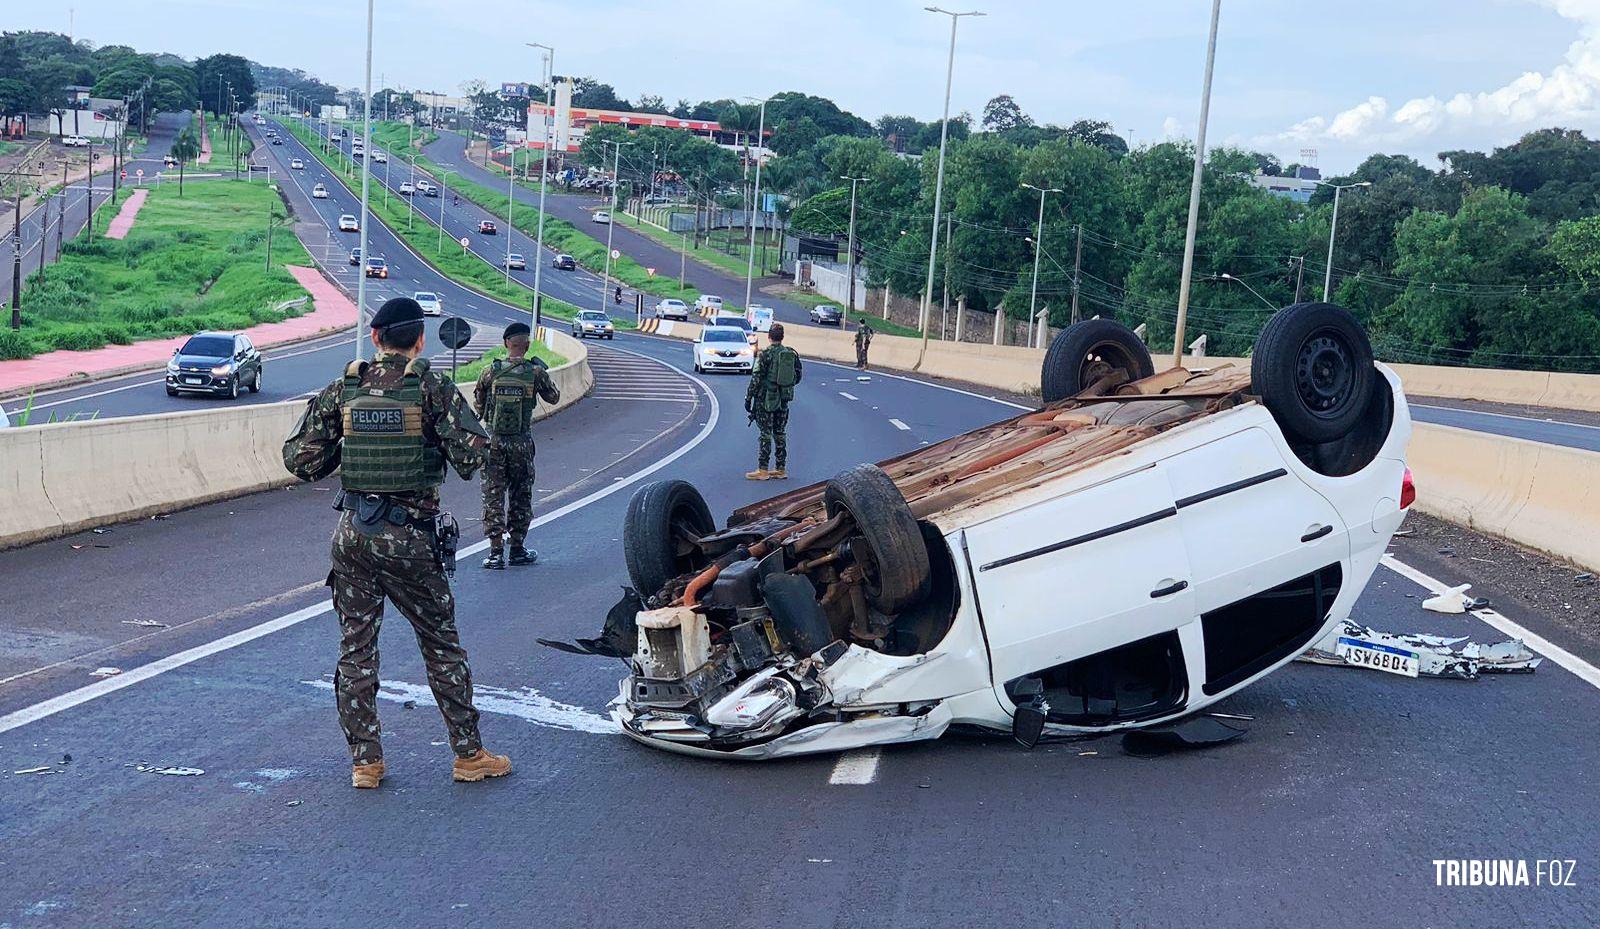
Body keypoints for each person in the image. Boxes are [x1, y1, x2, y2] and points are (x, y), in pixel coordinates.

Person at [282, 296, 513, 789]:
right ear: (420, 340)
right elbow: (474, 458)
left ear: (376, 337)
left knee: (356, 649)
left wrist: (350, 450)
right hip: (408, 539)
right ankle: (469, 756)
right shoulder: (430, 386)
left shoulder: (344, 387)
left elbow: (300, 460)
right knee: (440, 645)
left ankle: (366, 762)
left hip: (352, 536)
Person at [474, 322, 560, 569]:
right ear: (527, 345)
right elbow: (553, 397)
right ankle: (518, 548)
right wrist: (541, 371)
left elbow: (479, 404)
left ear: (505, 344)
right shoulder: (534, 373)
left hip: (494, 442)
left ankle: (495, 552)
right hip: (521, 442)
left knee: (493, 494)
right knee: (521, 493)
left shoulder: (490, 371)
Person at [745, 322, 802, 481]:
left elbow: (756, 379)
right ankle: (780, 468)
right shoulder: (790, 354)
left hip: (766, 400)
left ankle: (763, 470)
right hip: (784, 399)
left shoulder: (765, 354)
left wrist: (749, 398)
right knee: (780, 432)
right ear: (782, 337)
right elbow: (797, 377)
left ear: (769, 337)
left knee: (765, 433)